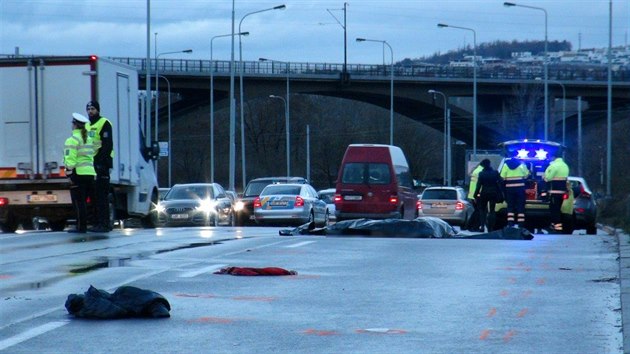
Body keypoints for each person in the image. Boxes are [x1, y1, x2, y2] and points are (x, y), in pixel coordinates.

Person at [64, 113, 96, 233]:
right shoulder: (88, 139)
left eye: (72, 123)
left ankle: (80, 227)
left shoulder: (72, 140)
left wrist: (69, 173)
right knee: (87, 202)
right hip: (90, 173)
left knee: (78, 202)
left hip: (78, 174)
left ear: (75, 125)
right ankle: (88, 224)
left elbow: (70, 159)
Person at [86, 101, 114, 232]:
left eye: (92, 109)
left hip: (102, 164)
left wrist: (101, 162)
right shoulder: (87, 125)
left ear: (98, 110)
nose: (90, 111)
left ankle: (104, 223)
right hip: (90, 165)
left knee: (102, 197)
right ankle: (96, 222)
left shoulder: (104, 123)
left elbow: (107, 145)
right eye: (88, 109)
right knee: (94, 197)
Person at [473, 159, 503, 232]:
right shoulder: (495, 173)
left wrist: (475, 195)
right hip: (493, 193)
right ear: (490, 164)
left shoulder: (481, 174)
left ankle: (482, 226)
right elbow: (501, 182)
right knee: (492, 211)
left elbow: (478, 185)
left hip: (484, 193)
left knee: (483, 210)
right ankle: (491, 227)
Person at [500, 157, 530, 228]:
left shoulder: (505, 165)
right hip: (520, 189)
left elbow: (502, 177)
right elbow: (526, 175)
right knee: (520, 206)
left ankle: (510, 223)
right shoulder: (522, 165)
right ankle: (521, 224)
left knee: (510, 206)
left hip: (509, 189)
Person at [544, 152, 570, 233]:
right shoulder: (565, 166)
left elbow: (548, 178)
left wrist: (544, 176)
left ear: (554, 157)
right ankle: (553, 226)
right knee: (558, 209)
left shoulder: (554, 166)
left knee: (554, 210)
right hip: (562, 192)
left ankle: (557, 228)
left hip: (554, 192)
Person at [467, 162, 484, 231]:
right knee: (479, 211)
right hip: (478, 194)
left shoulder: (476, 170)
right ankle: (472, 226)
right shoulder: (481, 171)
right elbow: (480, 185)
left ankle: (470, 226)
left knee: (477, 211)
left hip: (473, 194)